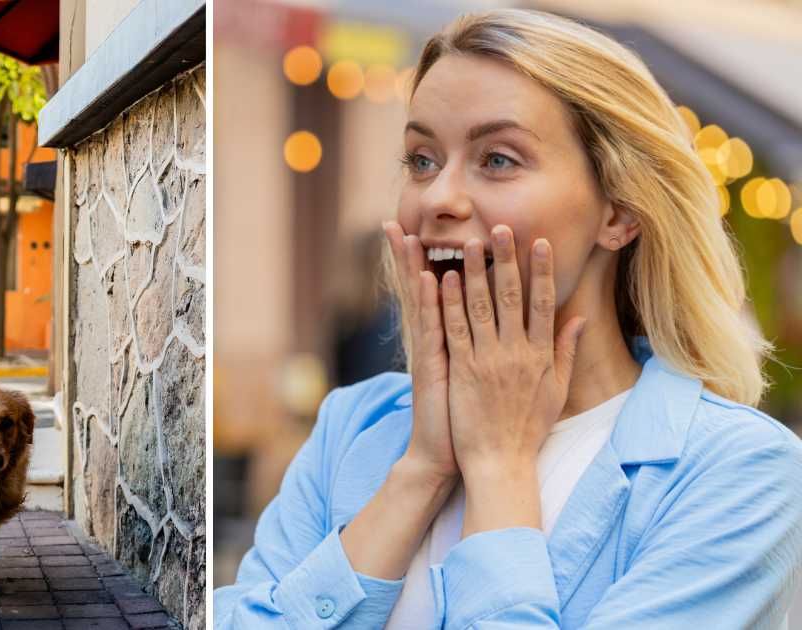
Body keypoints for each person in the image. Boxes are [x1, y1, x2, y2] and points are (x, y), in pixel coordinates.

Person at [214, 9, 802, 628]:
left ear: (619, 212)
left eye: (498, 159)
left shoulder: (738, 472)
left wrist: (498, 467)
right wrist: (421, 470)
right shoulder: (351, 428)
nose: (439, 197)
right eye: (421, 159)